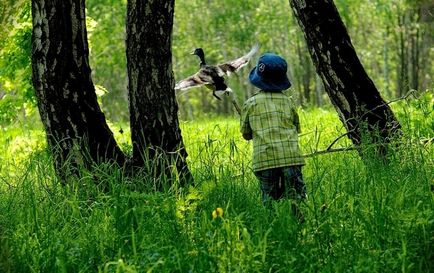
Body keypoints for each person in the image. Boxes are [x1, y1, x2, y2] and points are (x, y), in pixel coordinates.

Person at [240, 52, 307, 219]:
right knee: (296, 197)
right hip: (291, 158)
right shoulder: (288, 102)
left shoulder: (250, 104)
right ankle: (300, 225)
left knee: (268, 200)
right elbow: (297, 127)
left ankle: (273, 227)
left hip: (265, 160)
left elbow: (246, 135)